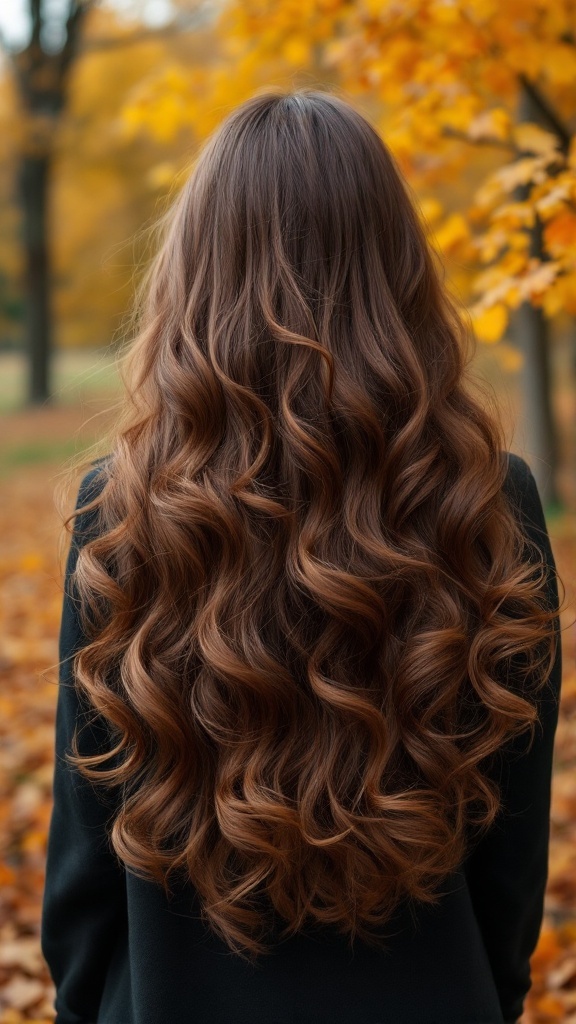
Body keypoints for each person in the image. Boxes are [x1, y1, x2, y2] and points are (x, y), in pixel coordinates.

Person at [41, 89, 563, 1024]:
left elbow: (84, 870)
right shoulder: (489, 502)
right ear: (396, 269)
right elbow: (510, 856)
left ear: (197, 274)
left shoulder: (121, 510)